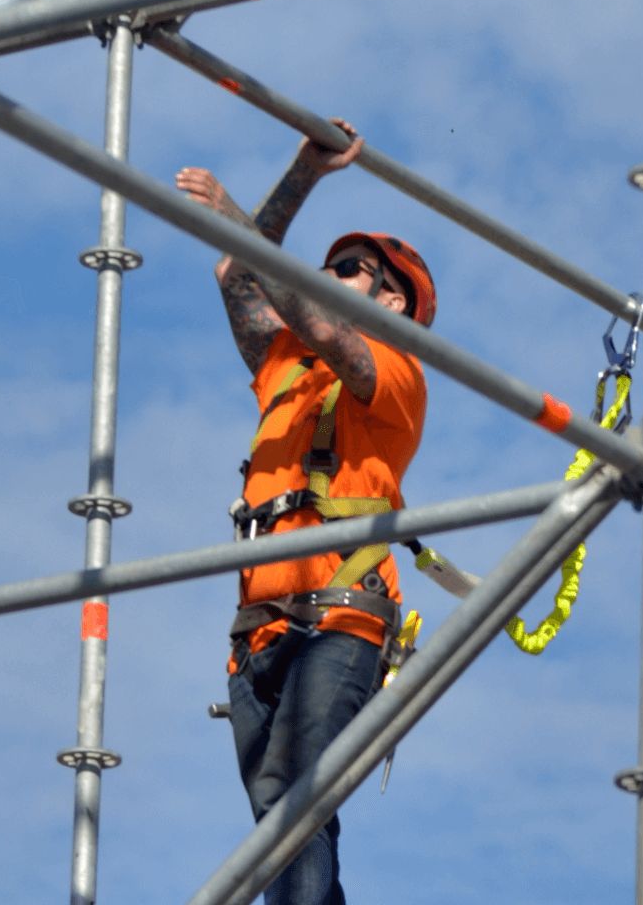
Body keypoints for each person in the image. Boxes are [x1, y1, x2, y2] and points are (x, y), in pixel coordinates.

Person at [176, 120, 436, 904]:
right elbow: (240, 276)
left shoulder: (394, 371)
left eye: (350, 269)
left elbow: (309, 308)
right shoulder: (290, 362)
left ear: (391, 300)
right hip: (257, 631)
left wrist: (236, 220)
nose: (331, 272)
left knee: (294, 793)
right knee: (281, 815)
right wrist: (306, 170)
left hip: (340, 618)